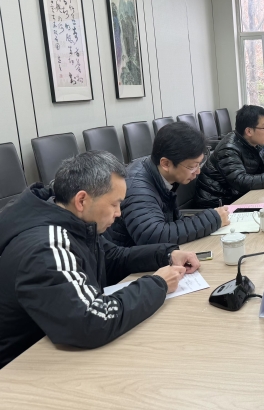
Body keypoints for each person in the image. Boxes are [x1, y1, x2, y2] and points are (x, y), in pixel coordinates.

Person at [0, 151, 199, 369]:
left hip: (55, 348)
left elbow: (112, 258)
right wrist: (158, 284)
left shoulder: (72, 219)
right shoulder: (47, 247)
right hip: (22, 368)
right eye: (114, 204)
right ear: (82, 200)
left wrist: (166, 255)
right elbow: (92, 321)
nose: (119, 213)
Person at [104, 122, 229, 247]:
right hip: (129, 255)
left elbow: (173, 223)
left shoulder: (160, 174)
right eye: (192, 166)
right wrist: (211, 219)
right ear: (166, 164)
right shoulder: (137, 187)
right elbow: (153, 236)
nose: (198, 172)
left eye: (199, 164)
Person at [195, 105, 264, 208]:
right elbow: (241, 181)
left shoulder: (250, 142)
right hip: (216, 205)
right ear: (249, 131)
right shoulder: (228, 150)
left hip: (235, 198)